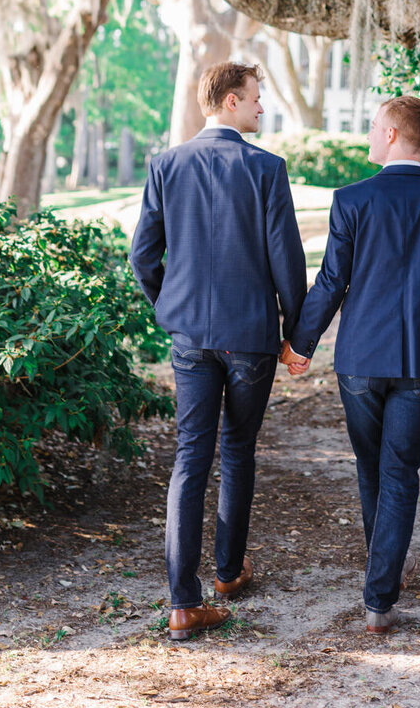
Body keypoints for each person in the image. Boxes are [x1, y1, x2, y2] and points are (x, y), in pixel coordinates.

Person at [282, 94, 420, 634]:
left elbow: (332, 281)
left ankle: (383, 580)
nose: (371, 135)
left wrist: (301, 345)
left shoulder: (352, 200)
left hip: (359, 360)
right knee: (400, 472)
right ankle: (380, 595)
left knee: (372, 466)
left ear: (396, 135)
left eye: (376, 126)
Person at [130, 60, 306, 642]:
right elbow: (287, 261)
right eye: (256, 98)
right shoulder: (265, 169)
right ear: (230, 101)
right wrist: (294, 334)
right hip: (251, 336)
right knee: (238, 450)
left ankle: (183, 603)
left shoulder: (166, 164)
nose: (262, 108)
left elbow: (142, 257)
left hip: (190, 339)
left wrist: (171, 307)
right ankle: (228, 573)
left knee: (190, 457)